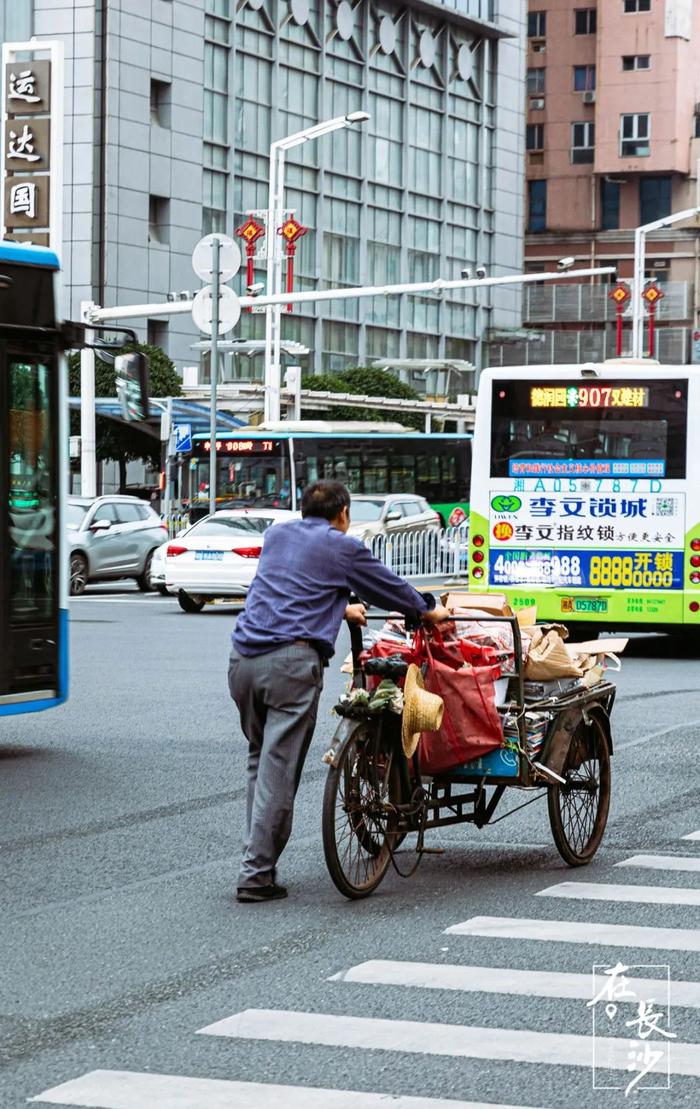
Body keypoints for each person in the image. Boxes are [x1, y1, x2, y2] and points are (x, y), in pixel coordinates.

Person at [228, 480, 449, 903]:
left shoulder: (277, 535)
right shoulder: (342, 546)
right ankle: (255, 875)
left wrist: (339, 606)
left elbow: (288, 585)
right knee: (278, 766)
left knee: (261, 758)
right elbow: (388, 587)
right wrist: (427, 608)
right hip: (290, 664)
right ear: (343, 513)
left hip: (242, 661)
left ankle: (256, 860)